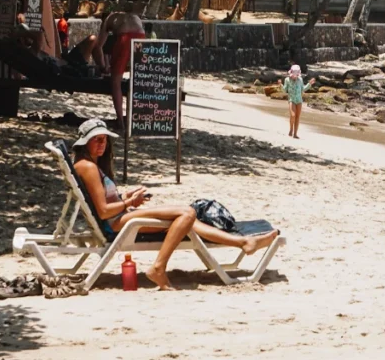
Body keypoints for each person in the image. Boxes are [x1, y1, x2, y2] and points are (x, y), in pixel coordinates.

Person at [72, 119, 278, 290]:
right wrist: (128, 202)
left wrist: (125, 196)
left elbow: (104, 201)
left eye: (104, 140)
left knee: (187, 218)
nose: (101, 144)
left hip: (120, 217)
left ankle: (243, 243)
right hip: (117, 223)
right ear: (85, 142)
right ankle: (158, 268)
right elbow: (103, 210)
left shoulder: (87, 164)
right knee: (187, 212)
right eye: (96, 140)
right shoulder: (88, 167)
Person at [93, 5, 145, 130]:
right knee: (140, 79)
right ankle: (139, 118)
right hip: (142, 37)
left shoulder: (108, 20)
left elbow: (98, 47)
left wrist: (102, 67)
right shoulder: (128, 16)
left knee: (115, 82)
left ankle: (120, 121)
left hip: (125, 38)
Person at [279, 64, 315, 138]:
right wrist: (280, 85)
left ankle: (295, 134)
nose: (295, 77)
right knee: (293, 115)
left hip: (299, 100)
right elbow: (285, 90)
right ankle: (291, 129)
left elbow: (303, 89)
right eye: (294, 75)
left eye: (296, 75)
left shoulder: (300, 79)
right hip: (291, 99)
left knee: (297, 117)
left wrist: (309, 84)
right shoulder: (287, 80)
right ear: (291, 74)